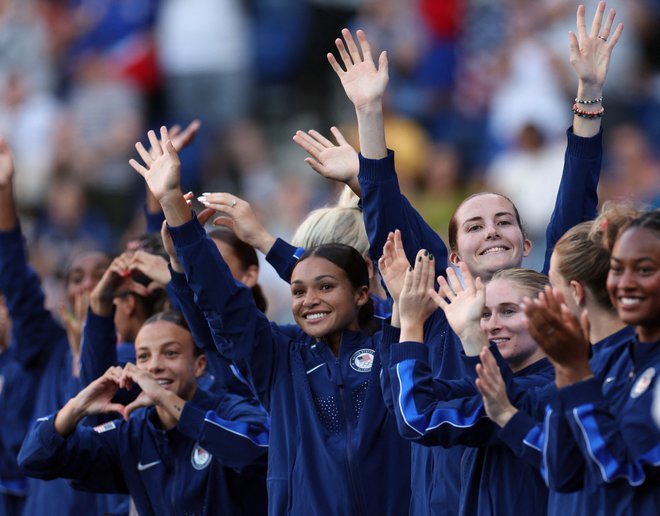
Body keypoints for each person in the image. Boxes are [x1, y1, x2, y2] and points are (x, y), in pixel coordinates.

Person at [309, 3, 623, 513]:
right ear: (452, 254)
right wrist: (369, 113)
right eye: (474, 227)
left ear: (526, 244)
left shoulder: (550, 302)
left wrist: (588, 93)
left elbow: (576, 200)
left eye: (504, 222)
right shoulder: (433, 304)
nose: (492, 231)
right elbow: (389, 216)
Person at [129, 126, 412, 515]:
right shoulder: (280, 357)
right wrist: (174, 206)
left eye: (326, 287)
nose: (309, 300)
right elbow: (225, 304)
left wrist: (266, 240)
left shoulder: (396, 342)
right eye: (297, 292)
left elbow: (418, 264)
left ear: (362, 291)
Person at [473, 204, 640, 514]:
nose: (545, 296)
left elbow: (611, 470)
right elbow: (562, 470)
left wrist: (573, 374)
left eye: (551, 284)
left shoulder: (633, 365)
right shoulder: (582, 361)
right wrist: (507, 417)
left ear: (575, 292)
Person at [18, 311, 270, 515]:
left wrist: (168, 400)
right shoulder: (132, 432)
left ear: (199, 364)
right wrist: (77, 406)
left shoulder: (232, 410)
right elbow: (34, 459)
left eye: (171, 353)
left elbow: (259, 451)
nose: (155, 366)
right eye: (143, 356)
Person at [378, 238, 553, 515]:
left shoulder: (548, 388)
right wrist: (401, 308)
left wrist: (414, 323)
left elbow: (417, 419)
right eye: (483, 314)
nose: (492, 325)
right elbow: (400, 401)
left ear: (549, 317)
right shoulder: (491, 386)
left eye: (508, 311)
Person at [0, 136, 123, 515]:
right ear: (65, 292)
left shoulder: (140, 354)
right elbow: (16, 279)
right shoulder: (46, 346)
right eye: (77, 277)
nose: (88, 284)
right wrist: (4, 191)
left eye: (101, 274)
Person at [516, 209, 660, 515]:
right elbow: (562, 473)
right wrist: (566, 371)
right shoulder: (614, 359)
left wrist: (577, 375)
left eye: (644, 270)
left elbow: (619, 473)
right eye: (617, 270)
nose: (625, 283)